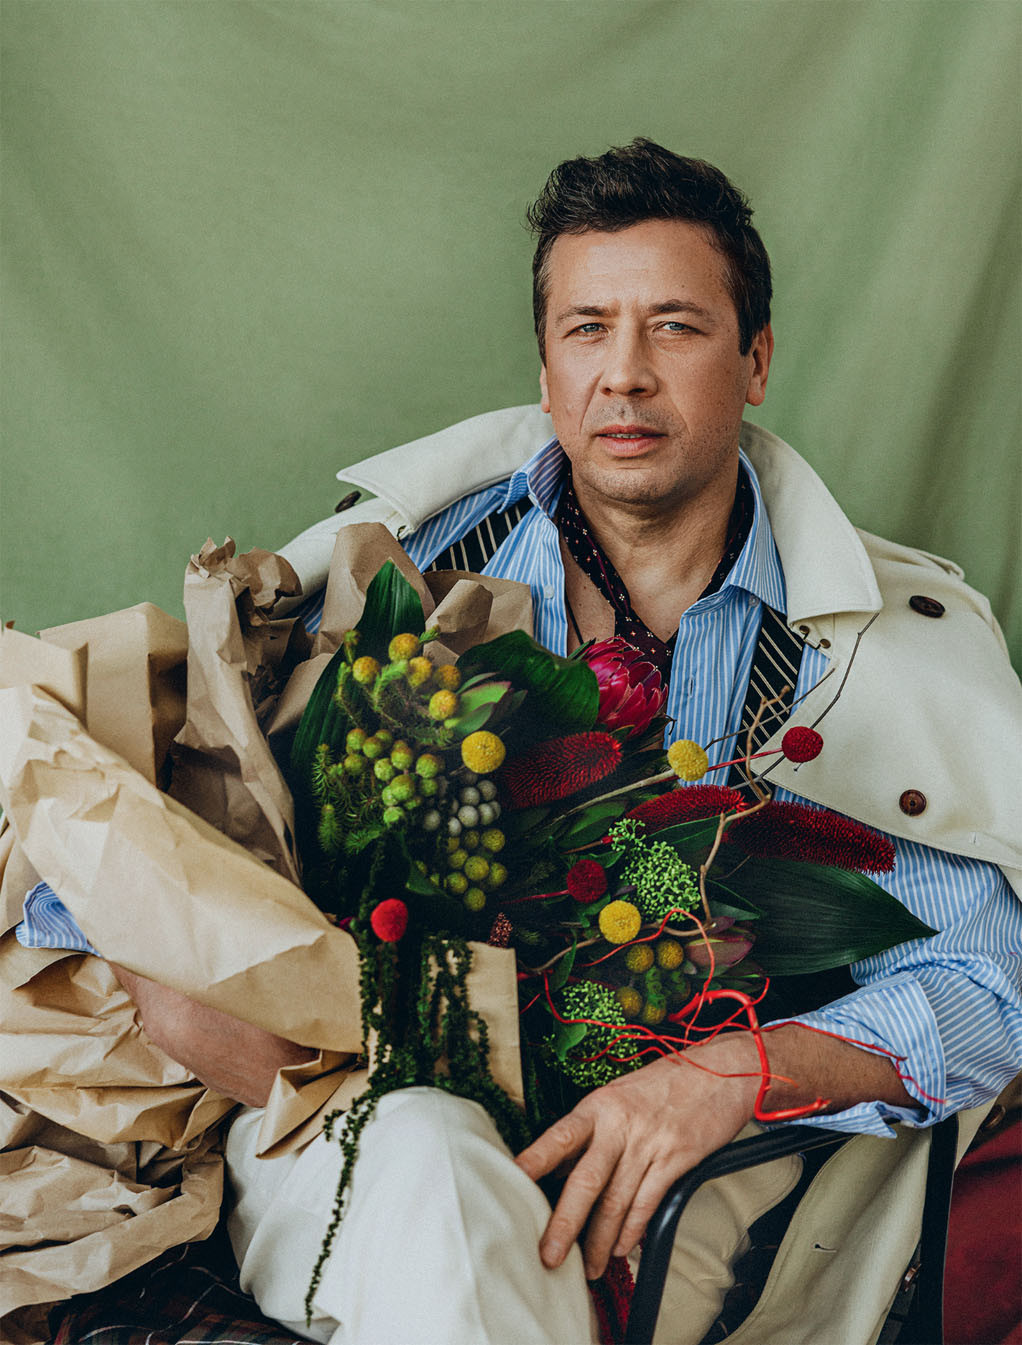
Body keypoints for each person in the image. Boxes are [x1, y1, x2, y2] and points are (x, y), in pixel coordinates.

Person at [16, 139, 1022, 1344]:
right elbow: (100, 867)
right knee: (436, 1171)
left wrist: (728, 1075)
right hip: (371, 1125)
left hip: (703, 1175)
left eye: (675, 327)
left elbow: (984, 983)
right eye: (587, 329)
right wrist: (192, 986)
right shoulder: (388, 578)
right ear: (546, 371)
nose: (625, 375)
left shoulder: (864, 649)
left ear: (754, 360)